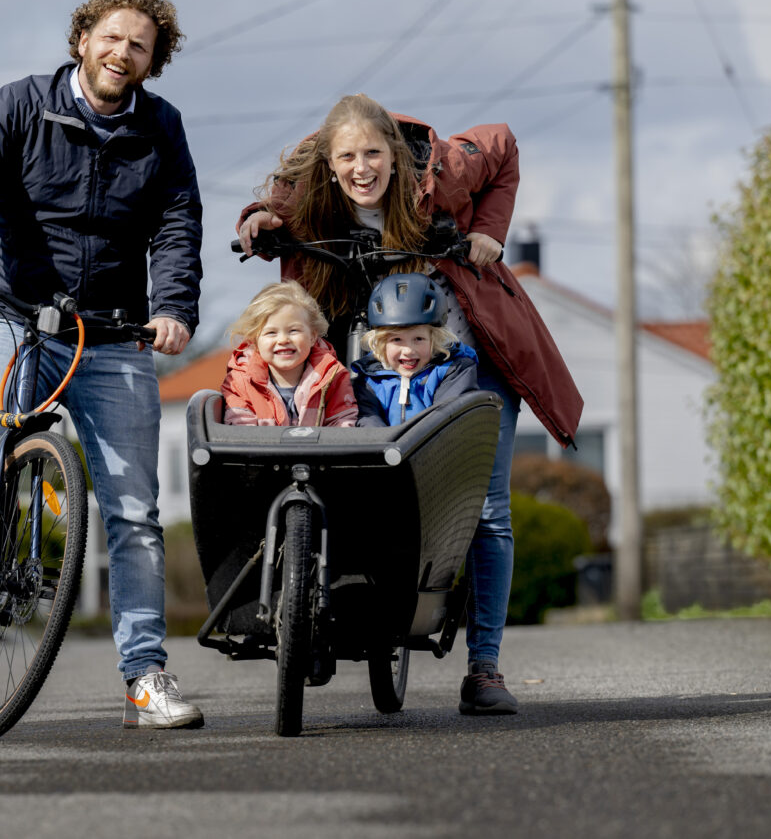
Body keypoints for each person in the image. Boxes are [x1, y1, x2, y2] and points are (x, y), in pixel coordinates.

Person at [0, 0, 205, 730]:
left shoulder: (161, 128)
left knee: (134, 513)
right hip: (19, 319)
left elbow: (179, 221)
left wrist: (173, 308)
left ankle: (145, 677)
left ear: (151, 63)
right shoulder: (22, 105)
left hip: (115, 335)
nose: (121, 53)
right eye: (112, 36)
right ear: (83, 35)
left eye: (140, 46)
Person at [236, 94, 583, 716]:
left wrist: (487, 233)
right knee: (341, 476)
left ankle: (484, 669)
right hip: (371, 350)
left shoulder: (444, 170)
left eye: (373, 153)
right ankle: (313, 617)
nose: (361, 168)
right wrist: (258, 217)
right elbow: (271, 210)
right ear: (329, 162)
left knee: (488, 509)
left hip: (459, 348)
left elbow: (501, 143)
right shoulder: (311, 185)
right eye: (347, 157)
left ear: (396, 157)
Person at [221, 280, 358, 427]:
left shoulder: (333, 376)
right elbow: (240, 432)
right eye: (271, 333)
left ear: (312, 336)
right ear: (255, 340)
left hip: (319, 449)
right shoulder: (240, 381)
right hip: (262, 449)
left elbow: (343, 423)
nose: (283, 340)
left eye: (293, 331)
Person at [351, 273, 478, 427]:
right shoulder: (370, 380)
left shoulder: (452, 371)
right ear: (382, 342)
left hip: (436, 448)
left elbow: (448, 419)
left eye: (418, 339)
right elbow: (367, 418)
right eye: (396, 340)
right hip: (386, 449)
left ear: (435, 339)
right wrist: (385, 446)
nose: (408, 350)